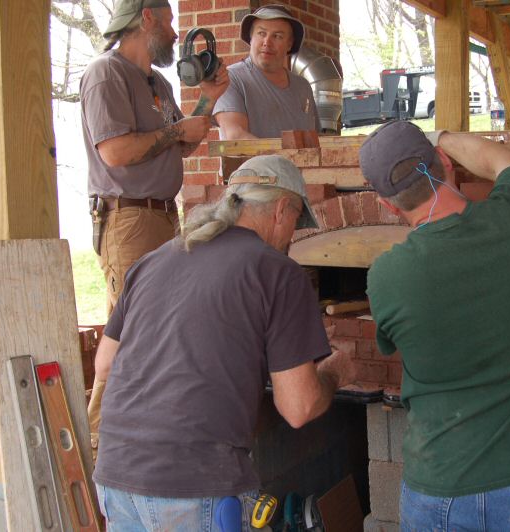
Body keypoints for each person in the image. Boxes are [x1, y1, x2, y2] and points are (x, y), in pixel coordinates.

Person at [91, 155, 356, 530]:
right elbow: (298, 407)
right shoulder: (277, 272)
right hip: (194, 486)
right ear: (282, 209)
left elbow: (105, 366)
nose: (292, 236)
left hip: (116, 478)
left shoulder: (152, 261)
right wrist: (333, 374)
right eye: (297, 221)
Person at [359, 121, 510, 531]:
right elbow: (506, 161)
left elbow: (392, 343)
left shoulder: (387, 276)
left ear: (388, 205)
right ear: (444, 162)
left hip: (437, 490)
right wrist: (444, 138)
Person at [81, 0, 228, 447]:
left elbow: (177, 143)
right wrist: (174, 134)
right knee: (126, 331)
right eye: (168, 21)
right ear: (145, 18)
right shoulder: (106, 73)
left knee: (158, 328)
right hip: (128, 218)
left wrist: (209, 98)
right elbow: (116, 152)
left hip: (163, 216)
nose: (173, 31)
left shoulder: (157, 82)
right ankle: (98, 448)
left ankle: (143, 437)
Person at [213, 4, 319, 139]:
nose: (267, 42)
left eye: (277, 36)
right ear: (251, 38)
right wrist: (282, 160)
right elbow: (235, 137)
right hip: (256, 161)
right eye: (261, 33)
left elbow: (315, 141)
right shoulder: (230, 79)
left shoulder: (303, 87)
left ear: (289, 43)